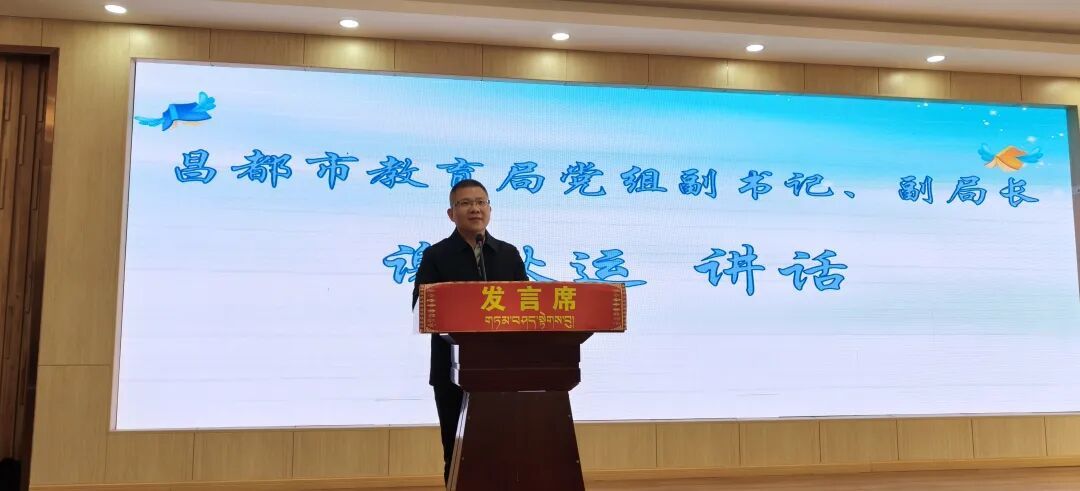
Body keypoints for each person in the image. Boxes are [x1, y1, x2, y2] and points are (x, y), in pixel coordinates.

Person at [411, 179, 527, 484]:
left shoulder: (508, 254)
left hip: (502, 369)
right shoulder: (436, 256)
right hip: (451, 370)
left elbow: (527, 306)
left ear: (489, 209)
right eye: (465, 203)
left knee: (503, 449)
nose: (475, 209)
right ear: (451, 214)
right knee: (457, 449)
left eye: (480, 202)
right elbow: (422, 306)